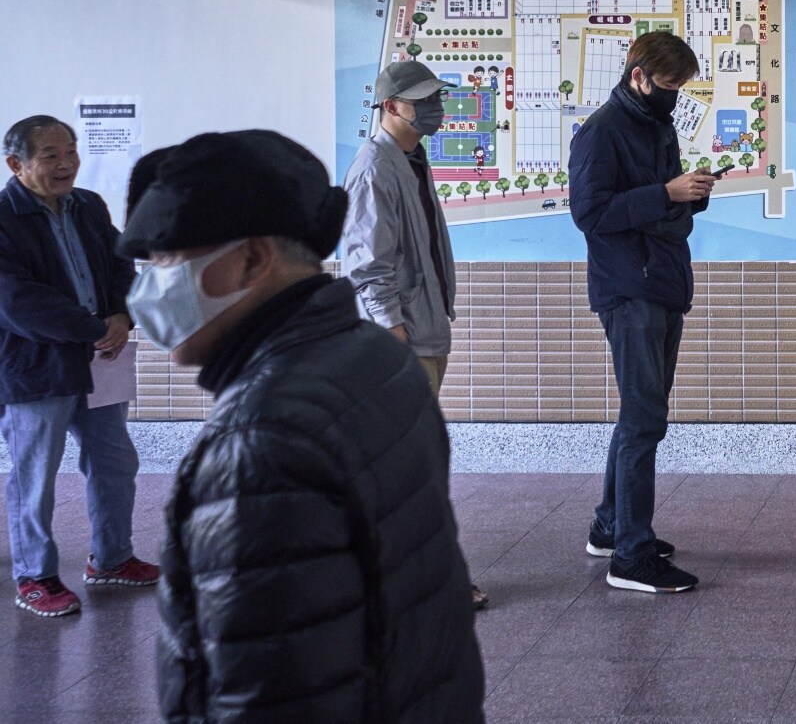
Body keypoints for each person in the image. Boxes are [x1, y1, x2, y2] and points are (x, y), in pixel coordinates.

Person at [122, 130, 483, 719]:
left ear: (253, 258)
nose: (149, 288)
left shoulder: (262, 441)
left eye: (167, 261)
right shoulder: (376, 358)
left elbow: (267, 688)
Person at [569, 30, 713, 595]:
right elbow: (589, 212)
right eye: (669, 86)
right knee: (645, 420)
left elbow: (664, 204)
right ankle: (630, 556)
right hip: (629, 291)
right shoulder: (600, 132)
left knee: (639, 414)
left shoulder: (657, 124)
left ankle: (611, 528)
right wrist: (667, 197)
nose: (674, 96)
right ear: (639, 76)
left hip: (660, 283)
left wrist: (686, 195)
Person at [341, 59, 486, 610]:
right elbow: (366, 264)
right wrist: (392, 334)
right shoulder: (375, 168)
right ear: (391, 107)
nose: (436, 108)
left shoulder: (410, 158)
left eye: (436, 98)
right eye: (423, 100)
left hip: (422, 332)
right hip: (399, 341)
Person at [0, 115, 156, 618]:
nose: (66, 162)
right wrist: (92, 328)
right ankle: (35, 576)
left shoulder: (88, 205)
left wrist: (121, 312)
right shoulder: (4, 218)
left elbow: (119, 263)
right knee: (35, 475)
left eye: (70, 150)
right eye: (50, 155)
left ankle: (111, 557)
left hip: (100, 360)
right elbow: (17, 300)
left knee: (114, 460)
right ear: (16, 164)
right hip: (37, 366)